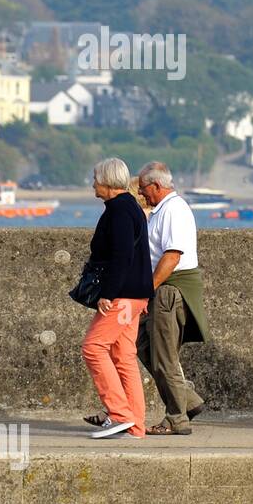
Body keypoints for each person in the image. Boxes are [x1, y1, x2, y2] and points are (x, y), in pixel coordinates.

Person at [136, 162, 212, 435]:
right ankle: (188, 401)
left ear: (156, 186)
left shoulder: (174, 210)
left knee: (164, 357)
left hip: (168, 291)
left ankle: (176, 418)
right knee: (144, 346)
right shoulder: (160, 211)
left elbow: (171, 256)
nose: (142, 194)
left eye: (144, 189)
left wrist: (148, 290)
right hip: (162, 289)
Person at [81, 158, 154, 439]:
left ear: (108, 182)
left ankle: (119, 414)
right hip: (135, 296)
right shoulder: (131, 208)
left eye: (96, 179)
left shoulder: (120, 211)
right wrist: (145, 294)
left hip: (122, 297)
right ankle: (135, 426)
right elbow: (141, 257)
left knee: (93, 347)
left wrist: (108, 294)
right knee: (124, 356)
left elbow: (122, 256)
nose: (93, 184)